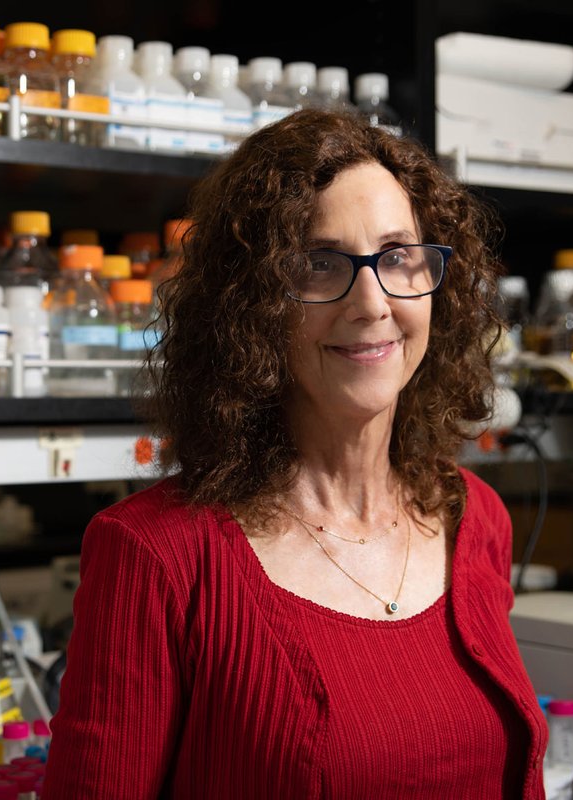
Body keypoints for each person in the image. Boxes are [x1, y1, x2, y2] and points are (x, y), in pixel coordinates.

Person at [42, 109, 547, 799]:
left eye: (399, 256)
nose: (372, 302)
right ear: (249, 306)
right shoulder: (157, 556)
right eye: (319, 264)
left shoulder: (473, 517)